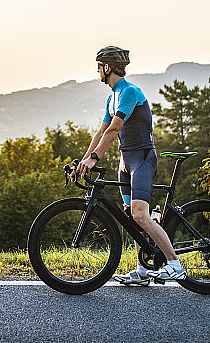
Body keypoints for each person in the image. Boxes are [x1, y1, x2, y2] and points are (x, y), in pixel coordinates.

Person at [73, 46, 186, 284]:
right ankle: (143, 271)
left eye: (99, 67)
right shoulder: (111, 98)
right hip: (125, 162)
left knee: (141, 215)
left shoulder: (129, 92)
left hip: (142, 159)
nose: (97, 72)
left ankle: (175, 264)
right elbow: (101, 132)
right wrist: (85, 160)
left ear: (108, 68)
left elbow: (114, 129)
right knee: (132, 217)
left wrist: (95, 159)